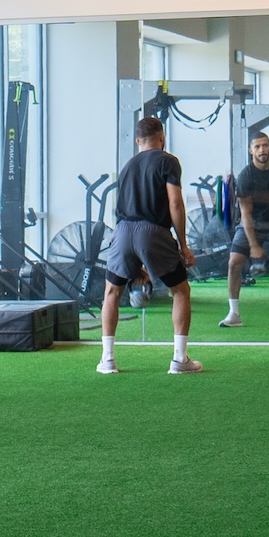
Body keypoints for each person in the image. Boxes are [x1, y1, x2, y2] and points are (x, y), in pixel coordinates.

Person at [96, 115, 200, 375]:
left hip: (122, 232)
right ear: (162, 137)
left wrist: (136, 261)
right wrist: (184, 245)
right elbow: (175, 203)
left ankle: (107, 359)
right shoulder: (168, 161)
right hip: (153, 231)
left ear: (138, 141)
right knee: (180, 291)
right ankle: (179, 359)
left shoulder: (128, 166)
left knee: (111, 293)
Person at [222, 130, 269, 329]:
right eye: (257, 147)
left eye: (265, 145)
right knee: (234, 262)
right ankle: (234, 313)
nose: (262, 150)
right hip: (252, 225)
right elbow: (245, 215)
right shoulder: (246, 176)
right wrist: (254, 245)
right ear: (251, 150)